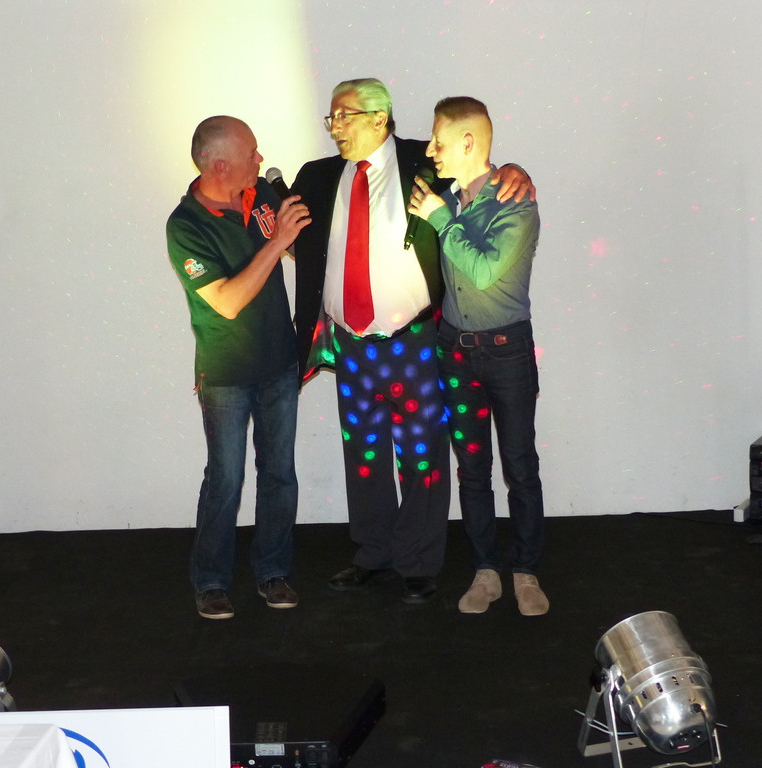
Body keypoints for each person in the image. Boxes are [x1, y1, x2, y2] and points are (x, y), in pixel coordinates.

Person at [291, 78, 534, 605]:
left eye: (344, 115)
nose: (334, 127)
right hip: (350, 344)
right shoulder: (316, 176)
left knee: (422, 454)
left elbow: (475, 166)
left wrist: (515, 170)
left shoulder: (424, 163)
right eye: (331, 118)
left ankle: (419, 562)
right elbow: (283, 227)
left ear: (380, 117)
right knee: (364, 453)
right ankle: (371, 553)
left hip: (415, 339)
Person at [165, 116, 311, 619]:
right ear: (220, 165)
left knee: (280, 474)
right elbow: (227, 301)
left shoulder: (262, 196)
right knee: (225, 479)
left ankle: (274, 572)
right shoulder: (185, 226)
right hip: (226, 374)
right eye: (251, 152)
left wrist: (295, 234)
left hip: (280, 362)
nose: (260, 158)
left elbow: (298, 251)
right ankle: (210, 580)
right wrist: (277, 243)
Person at [408, 96, 548, 616]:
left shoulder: (516, 202)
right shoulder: (443, 196)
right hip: (455, 354)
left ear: (467, 142)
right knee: (471, 468)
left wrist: (443, 220)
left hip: (507, 353)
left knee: (519, 465)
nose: (431, 150)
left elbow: (485, 271)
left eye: (439, 141)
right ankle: (486, 571)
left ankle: (526, 573)